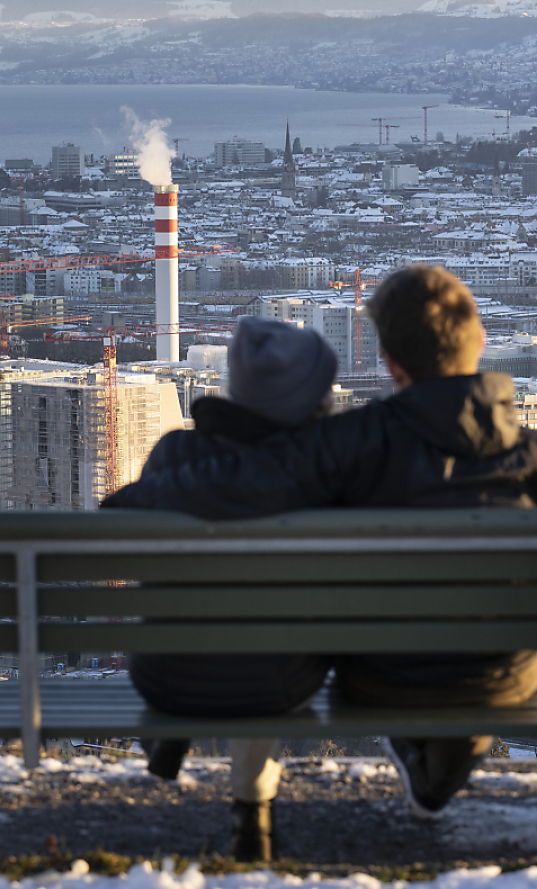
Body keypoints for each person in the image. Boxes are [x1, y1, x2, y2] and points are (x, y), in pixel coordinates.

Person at [105, 265, 537, 825]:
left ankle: (425, 771)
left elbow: (250, 480)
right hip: (505, 675)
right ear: (480, 342)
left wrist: (139, 498)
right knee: (473, 663)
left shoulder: (358, 440)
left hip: (385, 676)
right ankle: (437, 781)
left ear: (390, 363)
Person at [121, 315, 339, 862]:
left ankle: (171, 730)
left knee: (208, 630)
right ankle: (251, 807)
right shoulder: (324, 476)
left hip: (165, 672)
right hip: (280, 681)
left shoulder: (173, 455)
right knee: (268, 644)